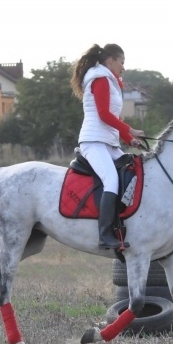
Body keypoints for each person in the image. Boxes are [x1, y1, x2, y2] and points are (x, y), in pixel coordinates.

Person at [70, 44, 145, 249]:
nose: (123, 67)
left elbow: (113, 119)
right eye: (122, 62)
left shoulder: (112, 82)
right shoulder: (101, 78)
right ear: (110, 60)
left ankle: (122, 221)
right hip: (93, 142)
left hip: (108, 142)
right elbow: (103, 115)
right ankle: (104, 235)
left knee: (134, 171)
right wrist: (131, 129)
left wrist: (130, 140)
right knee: (111, 180)